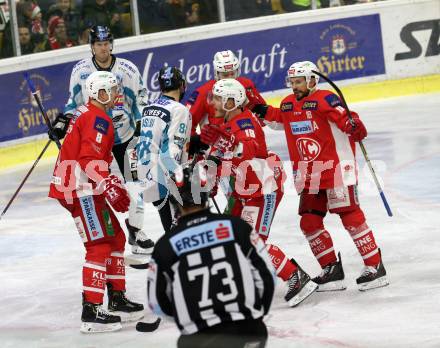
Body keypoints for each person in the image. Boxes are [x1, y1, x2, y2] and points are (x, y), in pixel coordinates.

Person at [252, 61, 389, 291]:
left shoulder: (326, 99)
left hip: (335, 170)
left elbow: (346, 118)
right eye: (292, 82)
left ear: (312, 80)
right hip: (309, 175)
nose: (294, 86)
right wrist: (259, 109)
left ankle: (375, 266)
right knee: (309, 221)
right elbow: (279, 119)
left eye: (299, 82)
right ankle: (331, 269)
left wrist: (354, 124)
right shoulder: (287, 104)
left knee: (350, 216)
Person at [200, 78, 317, 306]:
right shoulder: (225, 125)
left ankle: (296, 276)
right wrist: (209, 176)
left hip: (263, 191)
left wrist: (225, 141)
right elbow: (220, 158)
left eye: (217, 98)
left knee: (253, 241)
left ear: (231, 101)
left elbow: (249, 150)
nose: (212, 102)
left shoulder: (245, 123)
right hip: (243, 192)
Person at [48, 71, 144, 333]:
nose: (117, 94)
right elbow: (88, 159)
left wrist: (107, 180)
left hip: (83, 186)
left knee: (116, 239)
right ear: (100, 93)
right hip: (81, 190)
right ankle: (91, 311)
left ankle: (116, 298)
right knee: (99, 245)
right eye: (112, 90)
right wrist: (107, 183)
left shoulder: (87, 112)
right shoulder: (98, 118)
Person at [147, 163, 275, 348]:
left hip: (199, 338)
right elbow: (267, 275)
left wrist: (188, 318)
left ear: (175, 199)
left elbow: (157, 303)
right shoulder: (237, 227)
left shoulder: (165, 246)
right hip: (249, 331)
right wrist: (255, 315)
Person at [52, 25, 153, 255]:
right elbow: (73, 103)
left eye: (107, 43)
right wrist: (63, 123)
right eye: (99, 44)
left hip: (125, 135)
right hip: (95, 138)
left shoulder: (127, 70)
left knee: (135, 183)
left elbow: (141, 98)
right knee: (94, 186)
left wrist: (141, 125)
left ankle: (136, 231)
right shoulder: (80, 71)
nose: (104, 48)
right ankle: (99, 233)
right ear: (92, 46)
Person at [136, 66, 192, 234]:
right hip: (165, 173)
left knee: (167, 222)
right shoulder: (179, 110)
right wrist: (180, 177)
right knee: (182, 224)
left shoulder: (148, 108)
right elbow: (174, 147)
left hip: (145, 171)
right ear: (182, 85)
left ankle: (173, 252)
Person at [186, 49, 266, 136]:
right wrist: (195, 143)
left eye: (232, 73)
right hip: (216, 144)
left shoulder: (246, 85)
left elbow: (263, 117)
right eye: (225, 75)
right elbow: (187, 123)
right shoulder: (203, 92)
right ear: (217, 73)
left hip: (244, 139)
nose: (230, 78)